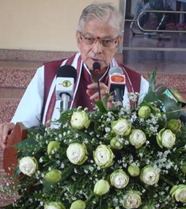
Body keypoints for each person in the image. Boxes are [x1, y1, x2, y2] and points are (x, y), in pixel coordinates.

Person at [0, 2, 149, 149]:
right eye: (90, 39)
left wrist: (115, 111)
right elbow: (23, 125)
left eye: (107, 41)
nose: (97, 49)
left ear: (117, 43)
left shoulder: (137, 84)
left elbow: (147, 137)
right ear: (79, 39)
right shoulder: (47, 75)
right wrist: (12, 129)